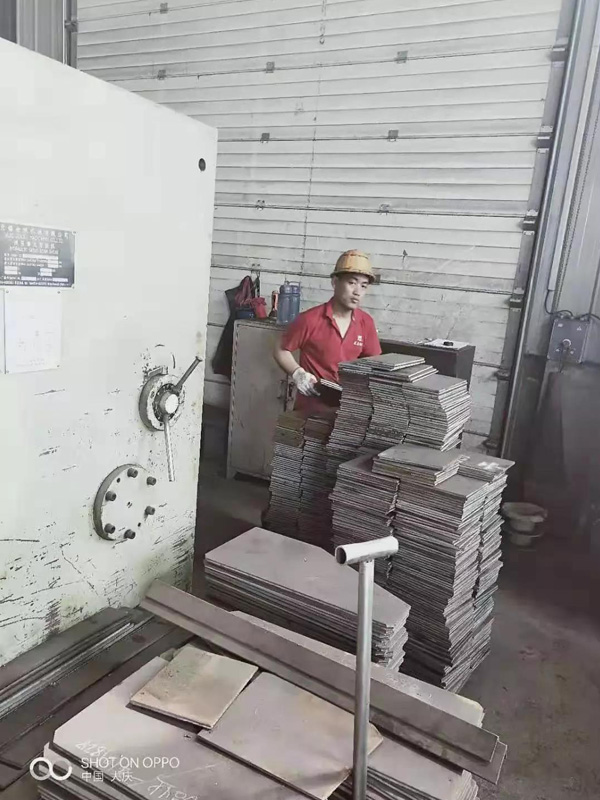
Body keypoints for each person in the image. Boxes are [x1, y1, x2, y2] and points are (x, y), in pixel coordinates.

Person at [273, 250, 382, 414]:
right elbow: (280, 349)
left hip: (347, 410)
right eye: (352, 283)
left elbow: (374, 364)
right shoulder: (310, 319)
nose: (357, 292)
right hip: (311, 410)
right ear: (335, 282)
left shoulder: (366, 323)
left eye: (363, 286)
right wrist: (297, 373)